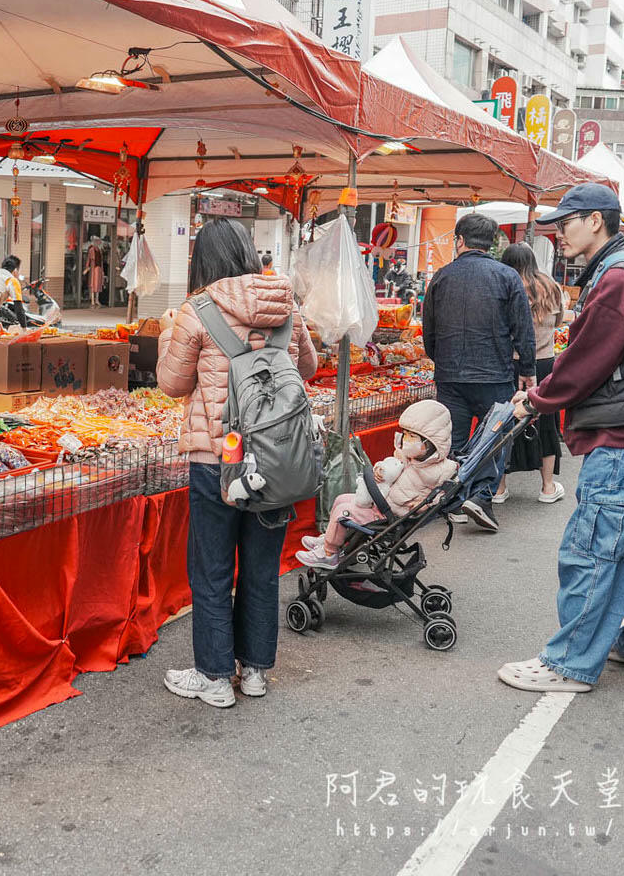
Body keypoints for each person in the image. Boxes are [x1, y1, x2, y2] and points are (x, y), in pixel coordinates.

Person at [498, 183, 624, 694]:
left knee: (595, 551)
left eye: (566, 222)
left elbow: (587, 358)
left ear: (595, 220)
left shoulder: (619, 276)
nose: (559, 232)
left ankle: (569, 663)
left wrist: (536, 399)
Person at [155, 218, 317, 708]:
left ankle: (213, 677)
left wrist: (168, 336)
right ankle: (254, 673)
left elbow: (172, 384)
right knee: (262, 569)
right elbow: (307, 369)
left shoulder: (195, 311)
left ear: (200, 260)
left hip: (215, 459)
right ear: (249, 253)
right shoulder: (283, 304)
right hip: (275, 459)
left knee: (211, 571)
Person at [421, 213, 535, 531]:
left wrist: (440, 359)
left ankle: (454, 501)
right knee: (495, 439)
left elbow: (427, 329)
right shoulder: (507, 276)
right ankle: (481, 496)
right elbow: (522, 328)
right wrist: (527, 369)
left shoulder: (441, 277)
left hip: (450, 375)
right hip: (494, 374)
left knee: (453, 442)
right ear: (492, 243)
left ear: (459, 241)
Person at [296, 399, 456, 569]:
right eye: (405, 434)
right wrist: (380, 470)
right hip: (382, 502)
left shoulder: (441, 470)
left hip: (390, 515)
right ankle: (330, 537)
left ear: (431, 443)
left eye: (412, 437)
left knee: (344, 513)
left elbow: (442, 495)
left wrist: (425, 505)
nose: (406, 440)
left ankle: (329, 553)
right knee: (341, 499)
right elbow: (391, 466)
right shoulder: (409, 457)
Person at [496, 243, 568, 504]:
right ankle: (547, 487)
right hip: (545, 363)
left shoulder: (504, 285)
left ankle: (499, 488)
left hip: (510, 363)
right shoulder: (551, 286)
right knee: (545, 421)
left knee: (504, 421)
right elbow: (560, 322)